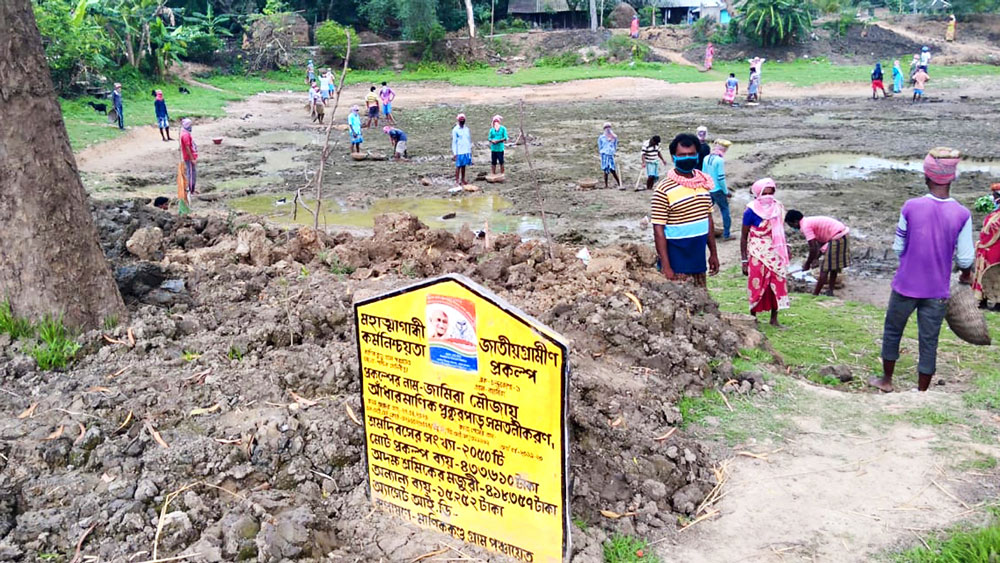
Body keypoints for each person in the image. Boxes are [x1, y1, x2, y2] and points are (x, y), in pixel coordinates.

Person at [868, 148, 974, 393]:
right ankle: (922, 392)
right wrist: (965, 273)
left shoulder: (911, 206)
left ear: (926, 177)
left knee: (893, 330)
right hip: (937, 290)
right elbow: (966, 258)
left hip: (906, 284)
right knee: (929, 340)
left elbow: (898, 247)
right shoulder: (962, 214)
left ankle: (886, 380)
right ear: (952, 179)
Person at [650, 133, 720, 288]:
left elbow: (708, 220)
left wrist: (713, 254)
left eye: (691, 154)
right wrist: (666, 267)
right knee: (683, 304)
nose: (687, 158)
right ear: (674, 157)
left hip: (698, 258)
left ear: (697, 155)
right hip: (677, 260)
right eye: (682, 155)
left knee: (701, 301)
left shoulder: (703, 184)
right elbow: (658, 229)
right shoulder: (663, 189)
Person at [741, 178, 790, 326]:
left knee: (777, 283)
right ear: (757, 193)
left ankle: (774, 319)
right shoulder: (750, 211)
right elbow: (744, 237)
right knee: (756, 284)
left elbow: (780, 231)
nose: (768, 196)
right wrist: (744, 260)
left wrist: (786, 248)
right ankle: (753, 317)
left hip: (775, 251)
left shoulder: (779, 208)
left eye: (771, 193)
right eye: (764, 193)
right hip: (757, 252)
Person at [784, 211, 851, 296]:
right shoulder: (808, 222)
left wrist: (808, 263)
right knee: (832, 266)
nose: (792, 227)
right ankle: (830, 291)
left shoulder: (805, 226)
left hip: (837, 236)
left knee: (825, 268)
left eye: (791, 225)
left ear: (796, 221)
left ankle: (815, 294)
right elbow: (820, 243)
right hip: (842, 234)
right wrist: (815, 259)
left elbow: (813, 248)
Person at [973, 183, 1000, 309]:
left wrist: (982, 244)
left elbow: (993, 232)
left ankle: (995, 299)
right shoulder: (994, 213)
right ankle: (983, 297)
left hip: (994, 248)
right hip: (988, 247)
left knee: (994, 273)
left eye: (994, 195)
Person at [703, 139, 733, 239]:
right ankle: (726, 234)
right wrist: (726, 191)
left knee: (705, 211)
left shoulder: (706, 158)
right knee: (725, 210)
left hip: (708, 189)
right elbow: (721, 178)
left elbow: (703, 174)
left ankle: (705, 232)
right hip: (718, 190)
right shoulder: (719, 160)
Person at [598, 122, 621, 189]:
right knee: (605, 170)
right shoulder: (601, 138)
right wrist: (602, 153)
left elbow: (615, 146)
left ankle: (619, 183)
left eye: (608, 127)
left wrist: (613, 152)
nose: (607, 129)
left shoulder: (614, 137)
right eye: (606, 128)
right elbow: (600, 147)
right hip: (604, 155)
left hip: (610, 155)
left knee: (612, 169)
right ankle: (606, 185)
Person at [452, 113, 472, 186]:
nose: (462, 121)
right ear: (458, 120)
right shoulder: (455, 130)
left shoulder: (467, 129)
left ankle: (463, 179)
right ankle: (457, 181)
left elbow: (469, 140)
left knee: (464, 166)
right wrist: (454, 153)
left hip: (466, 150)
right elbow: (454, 142)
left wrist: (469, 151)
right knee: (458, 166)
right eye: (461, 120)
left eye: (463, 120)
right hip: (459, 151)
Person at [179, 118, 198, 195]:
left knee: (192, 172)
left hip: (190, 157)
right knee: (191, 173)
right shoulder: (185, 135)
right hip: (189, 158)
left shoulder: (185, 133)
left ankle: (192, 189)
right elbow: (187, 148)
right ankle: (191, 190)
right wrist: (192, 158)